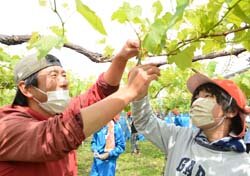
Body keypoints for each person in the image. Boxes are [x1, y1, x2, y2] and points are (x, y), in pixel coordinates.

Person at [0, 39, 160, 176]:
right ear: (26, 88)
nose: (63, 82)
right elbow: (54, 137)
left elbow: (97, 93)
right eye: (53, 76)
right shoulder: (6, 125)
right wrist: (129, 91)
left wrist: (121, 59)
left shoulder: (55, 115)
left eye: (64, 75)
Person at [131, 72, 250, 175]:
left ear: (231, 111)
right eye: (196, 98)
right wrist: (140, 95)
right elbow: (145, 121)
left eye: (207, 96)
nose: (197, 102)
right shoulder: (179, 137)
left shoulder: (241, 166)